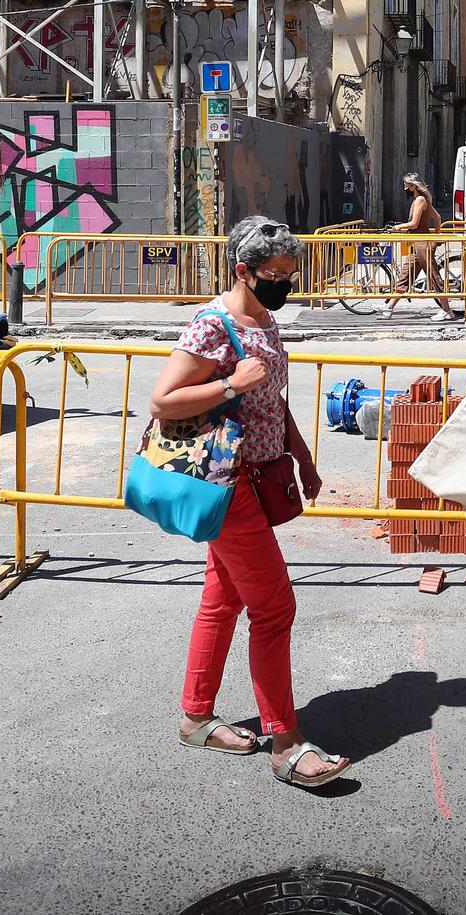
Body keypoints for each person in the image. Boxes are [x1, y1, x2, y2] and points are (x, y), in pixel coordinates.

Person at [149, 217, 350, 790]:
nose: (285, 284)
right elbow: (164, 400)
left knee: (223, 598)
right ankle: (285, 743)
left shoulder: (264, 321)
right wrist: (230, 385)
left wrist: (303, 458)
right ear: (243, 270)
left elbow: (273, 402)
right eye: (274, 275)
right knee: (274, 609)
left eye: (291, 274)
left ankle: (195, 718)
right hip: (227, 482)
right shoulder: (213, 325)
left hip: (263, 476)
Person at [384, 174, 461, 321]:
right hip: (417, 243)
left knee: (433, 276)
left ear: (414, 186)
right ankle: (388, 308)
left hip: (421, 244)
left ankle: (446, 311)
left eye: (407, 185)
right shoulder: (422, 200)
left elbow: (414, 223)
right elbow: (437, 218)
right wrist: (436, 238)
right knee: (405, 276)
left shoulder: (420, 200)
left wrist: (398, 227)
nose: (405, 188)